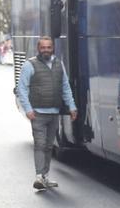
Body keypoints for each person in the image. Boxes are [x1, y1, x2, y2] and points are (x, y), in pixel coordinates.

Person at [16, 36, 78, 190]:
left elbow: (65, 87)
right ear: (38, 48)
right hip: (37, 113)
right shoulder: (29, 65)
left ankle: (45, 176)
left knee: (49, 146)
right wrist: (28, 110)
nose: (46, 50)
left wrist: (72, 106)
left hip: (54, 113)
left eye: (48, 47)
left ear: (53, 48)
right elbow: (21, 90)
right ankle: (38, 176)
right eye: (43, 47)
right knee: (40, 144)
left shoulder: (59, 64)